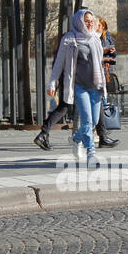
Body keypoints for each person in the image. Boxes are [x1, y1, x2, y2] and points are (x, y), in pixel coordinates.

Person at [48, 9, 106, 166]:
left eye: (91, 21)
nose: (89, 23)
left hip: (96, 86)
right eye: (86, 20)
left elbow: (99, 64)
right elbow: (59, 63)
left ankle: (75, 139)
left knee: (93, 122)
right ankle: (91, 153)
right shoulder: (69, 39)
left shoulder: (95, 38)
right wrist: (52, 83)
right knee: (87, 120)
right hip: (79, 87)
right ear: (79, 21)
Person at [94, 16, 120, 148]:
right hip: (97, 74)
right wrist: (103, 52)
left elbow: (113, 53)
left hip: (107, 71)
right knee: (98, 104)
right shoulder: (93, 37)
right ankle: (83, 135)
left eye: (100, 26)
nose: (97, 28)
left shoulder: (107, 36)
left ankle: (101, 133)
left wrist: (112, 52)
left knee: (103, 102)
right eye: (97, 25)